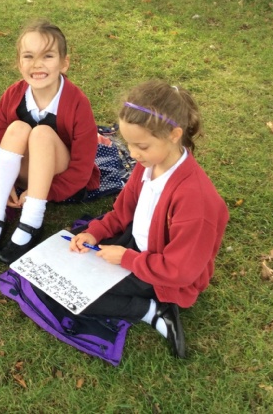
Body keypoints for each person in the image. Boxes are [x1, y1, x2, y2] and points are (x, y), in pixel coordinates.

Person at [69, 81, 229, 358]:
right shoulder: (147, 165)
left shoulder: (196, 201)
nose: (132, 154)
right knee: (66, 269)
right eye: (128, 143)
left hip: (162, 273)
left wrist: (127, 259)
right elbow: (122, 212)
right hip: (138, 246)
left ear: (174, 135)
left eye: (141, 145)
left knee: (75, 295)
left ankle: (152, 310)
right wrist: (95, 232)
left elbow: (181, 271)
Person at [0, 19, 100, 264]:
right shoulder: (12, 94)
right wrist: (4, 182)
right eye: (29, 56)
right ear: (19, 62)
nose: (37, 64)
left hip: (56, 176)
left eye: (48, 56)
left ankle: (32, 220)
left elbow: (82, 167)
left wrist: (40, 193)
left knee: (42, 133)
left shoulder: (77, 103)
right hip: (21, 173)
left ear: (64, 63)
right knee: (17, 128)